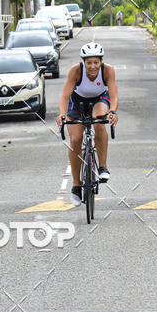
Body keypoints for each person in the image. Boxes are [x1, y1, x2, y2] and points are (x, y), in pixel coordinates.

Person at [56, 42, 118, 206]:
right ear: (84, 62)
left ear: (101, 61)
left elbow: (113, 95)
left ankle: (103, 167)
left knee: (98, 121)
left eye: (96, 62)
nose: (92, 67)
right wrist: (62, 115)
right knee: (75, 140)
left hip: (99, 99)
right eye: (89, 63)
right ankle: (76, 186)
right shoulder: (76, 71)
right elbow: (64, 96)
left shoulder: (108, 71)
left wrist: (112, 112)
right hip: (77, 102)